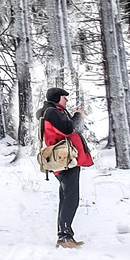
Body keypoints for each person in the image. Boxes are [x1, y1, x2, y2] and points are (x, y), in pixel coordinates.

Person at [37, 87, 93, 248]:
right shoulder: (52, 112)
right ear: (57, 98)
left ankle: (65, 235)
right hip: (66, 162)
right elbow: (68, 129)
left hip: (64, 161)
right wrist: (77, 115)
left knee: (66, 199)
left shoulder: (52, 111)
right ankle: (64, 238)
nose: (66, 100)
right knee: (70, 199)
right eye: (64, 97)